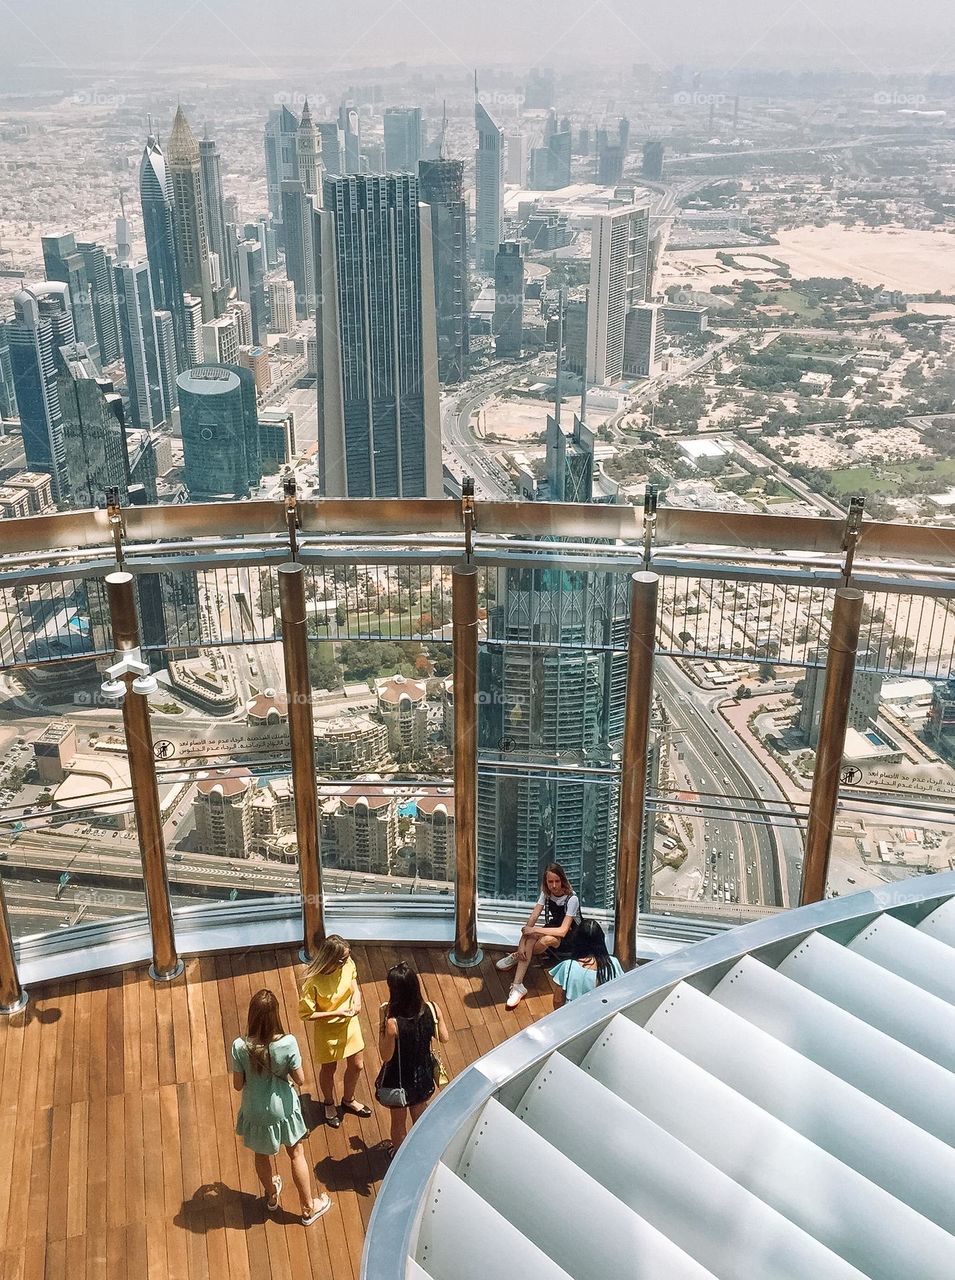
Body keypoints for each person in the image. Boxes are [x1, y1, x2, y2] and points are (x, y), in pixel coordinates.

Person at [231, 989, 331, 1225]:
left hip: (254, 1108)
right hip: (282, 1108)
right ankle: (308, 1207)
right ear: (275, 1015)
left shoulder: (239, 1046)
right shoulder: (288, 1043)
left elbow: (237, 1085)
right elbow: (301, 1079)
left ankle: (271, 1196)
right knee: (296, 1153)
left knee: (261, 1154)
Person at [376, 962, 449, 1158]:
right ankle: (422, 1151)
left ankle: (400, 1155)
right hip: (423, 1074)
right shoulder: (432, 1008)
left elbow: (386, 1055)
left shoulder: (393, 1024)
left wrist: (382, 1022)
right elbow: (444, 1037)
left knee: (398, 1123)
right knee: (419, 1115)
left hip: (398, 1079)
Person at [299, 935, 372, 1128]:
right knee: (329, 1069)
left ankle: (348, 1099)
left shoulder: (348, 965)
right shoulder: (312, 982)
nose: (347, 961)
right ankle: (328, 1102)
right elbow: (306, 1014)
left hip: (349, 1024)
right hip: (328, 1031)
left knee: (357, 1065)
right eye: (343, 959)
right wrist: (336, 1012)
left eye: (347, 957)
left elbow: (353, 982)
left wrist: (357, 997)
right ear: (330, 959)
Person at [496, 863, 582, 1010]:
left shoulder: (571, 899)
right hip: (554, 928)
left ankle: (519, 958)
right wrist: (522, 944)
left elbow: (563, 930)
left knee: (544, 938)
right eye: (550, 882)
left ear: (562, 880)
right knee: (531, 938)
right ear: (546, 882)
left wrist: (533, 930)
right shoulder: (546, 894)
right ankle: (517, 985)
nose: (554, 885)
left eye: (557, 881)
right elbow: (533, 918)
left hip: (572, 937)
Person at [549, 918, 624, 1009]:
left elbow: (558, 1000)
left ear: (577, 940)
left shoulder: (567, 966)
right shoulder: (612, 963)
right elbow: (620, 993)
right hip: (603, 1014)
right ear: (601, 940)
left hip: (574, 1016)